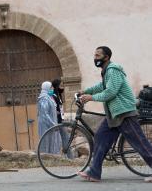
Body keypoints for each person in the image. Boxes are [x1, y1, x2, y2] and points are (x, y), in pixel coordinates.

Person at [77, 46, 152, 182]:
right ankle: (94, 172)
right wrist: (85, 91)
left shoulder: (113, 70)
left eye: (98, 55)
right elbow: (101, 87)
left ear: (107, 57)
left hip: (125, 112)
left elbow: (111, 92)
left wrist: (91, 98)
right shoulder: (106, 72)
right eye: (94, 55)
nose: (95, 58)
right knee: (100, 138)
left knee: (140, 143)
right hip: (114, 114)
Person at [49, 79, 74, 158]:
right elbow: (53, 109)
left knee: (65, 139)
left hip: (61, 120)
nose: (62, 88)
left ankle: (68, 157)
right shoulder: (53, 96)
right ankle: (70, 158)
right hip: (57, 121)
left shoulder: (59, 96)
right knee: (65, 139)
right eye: (61, 86)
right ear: (56, 86)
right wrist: (56, 112)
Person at [37, 81, 61, 154]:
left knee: (54, 142)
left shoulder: (49, 97)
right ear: (46, 88)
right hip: (46, 125)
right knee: (47, 143)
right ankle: (46, 160)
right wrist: (53, 124)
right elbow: (44, 114)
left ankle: (53, 158)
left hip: (50, 124)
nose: (52, 89)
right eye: (51, 87)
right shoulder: (44, 98)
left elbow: (49, 110)